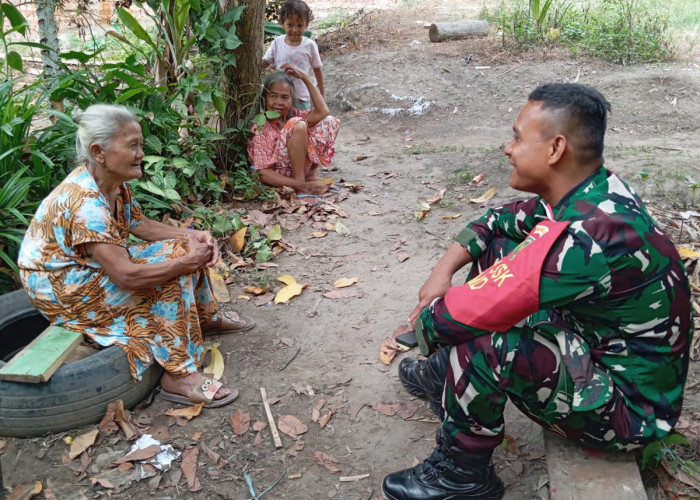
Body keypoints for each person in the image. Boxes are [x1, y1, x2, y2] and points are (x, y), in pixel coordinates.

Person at [383, 83, 693, 500]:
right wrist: (441, 274)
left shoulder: (587, 235)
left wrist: (421, 325)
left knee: (485, 338)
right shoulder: (586, 193)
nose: (507, 148)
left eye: (516, 137)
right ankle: (447, 376)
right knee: (499, 252)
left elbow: (465, 313)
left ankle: (462, 473)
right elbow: (495, 222)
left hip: (629, 412)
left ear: (555, 149)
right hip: (594, 346)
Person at [17, 104, 256, 408]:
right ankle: (179, 375)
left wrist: (193, 236)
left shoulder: (112, 184)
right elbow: (126, 276)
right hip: (62, 291)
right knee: (172, 269)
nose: (141, 153)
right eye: (132, 145)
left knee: (183, 250)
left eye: (140, 144)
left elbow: (139, 225)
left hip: (86, 271)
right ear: (98, 151)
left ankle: (204, 318)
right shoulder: (85, 205)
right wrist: (187, 262)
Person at [247, 65, 340, 195]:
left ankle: (310, 175)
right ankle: (302, 183)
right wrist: (299, 184)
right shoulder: (262, 127)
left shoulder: (294, 114)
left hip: (300, 170)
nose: (278, 102)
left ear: (292, 100)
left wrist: (305, 78)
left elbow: (323, 111)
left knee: (330, 121)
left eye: (285, 97)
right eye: (273, 96)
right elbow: (263, 173)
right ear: (265, 98)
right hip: (281, 174)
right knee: (297, 124)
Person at [262, 0, 324, 110]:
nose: (295, 30)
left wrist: (321, 95)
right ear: (281, 22)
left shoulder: (310, 45)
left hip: (302, 97)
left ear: (307, 24)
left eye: (300, 25)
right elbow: (264, 63)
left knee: (302, 123)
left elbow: (317, 70)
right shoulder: (277, 43)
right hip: (281, 97)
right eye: (290, 25)